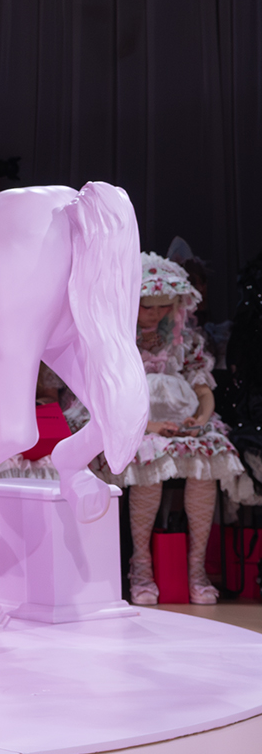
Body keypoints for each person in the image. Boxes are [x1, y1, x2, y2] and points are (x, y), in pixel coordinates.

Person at [99, 253, 250, 605]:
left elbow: (202, 388)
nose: (155, 314)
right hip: (135, 424)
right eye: (147, 307)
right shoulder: (119, 342)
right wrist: (149, 425)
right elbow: (110, 396)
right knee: (149, 464)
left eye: (164, 306)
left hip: (182, 423)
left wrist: (201, 419)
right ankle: (141, 566)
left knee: (204, 464)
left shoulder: (185, 340)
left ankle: (196, 568)